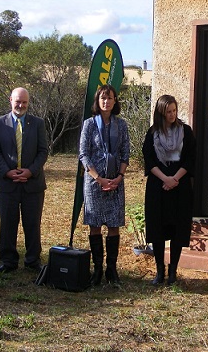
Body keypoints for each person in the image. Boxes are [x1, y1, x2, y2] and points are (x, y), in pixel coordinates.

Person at [0, 87, 48, 274]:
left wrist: (30, 172)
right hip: (8, 184)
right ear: (10, 101)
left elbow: (43, 151)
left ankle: (32, 260)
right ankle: (8, 261)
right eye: (18, 102)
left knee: (32, 223)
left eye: (24, 102)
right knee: (8, 223)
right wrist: (7, 172)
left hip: (33, 184)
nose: (21, 105)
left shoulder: (37, 123)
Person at [142, 95, 195, 286]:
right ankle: (159, 271)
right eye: (168, 112)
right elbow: (148, 159)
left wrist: (175, 179)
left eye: (174, 110)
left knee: (177, 229)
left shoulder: (186, 131)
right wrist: (165, 178)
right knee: (158, 229)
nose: (172, 115)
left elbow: (190, 158)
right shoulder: (152, 133)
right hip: (158, 185)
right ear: (161, 113)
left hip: (179, 186)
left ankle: (173, 271)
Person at [80, 84, 130, 285]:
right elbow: (84, 154)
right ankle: (98, 269)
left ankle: (112, 269)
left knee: (114, 225)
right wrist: (98, 178)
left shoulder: (122, 125)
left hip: (116, 183)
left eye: (109, 98)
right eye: (102, 98)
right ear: (97, 101)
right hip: (94, 183)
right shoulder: (89, 124)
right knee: (94, 226)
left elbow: (126, 153)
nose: (106, 101)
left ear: (115, 101)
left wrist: (119, 176)